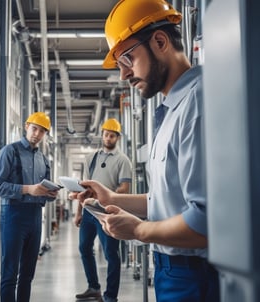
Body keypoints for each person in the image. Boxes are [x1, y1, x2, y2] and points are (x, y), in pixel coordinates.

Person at [77, 0, 220, 301]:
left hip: (195, 274)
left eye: (128, 59)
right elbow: (169, 201)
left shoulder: (198, 104)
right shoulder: (169, 111)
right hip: (172, 270)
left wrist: (140, 231)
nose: (123, 75)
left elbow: (207, 220)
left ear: (159, 41)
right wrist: (114, 199)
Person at [0, 112, 59, 302]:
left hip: (35, 216)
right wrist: (29, 189)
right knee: (10, 272)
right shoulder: (9, 152)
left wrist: (51, 193)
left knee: (28, 274)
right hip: (13, 215)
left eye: (42, 131)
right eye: (34, 128)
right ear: (26, 126)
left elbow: (43, 191)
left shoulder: (43, 160)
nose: (37, 134)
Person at [75, 118, 132, 302]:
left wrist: (105, 196)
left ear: (117, 137)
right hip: (89, 211)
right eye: (106, 134)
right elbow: (84, 188)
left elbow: (124, 189)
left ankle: (110, 296)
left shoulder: (123, 160)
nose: (108, 138)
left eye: (112, 135)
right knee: (84, 248)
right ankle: (94, 287)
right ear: (102, 135)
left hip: (108, 213)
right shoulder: (91, 158)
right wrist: (78, 212)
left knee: (111, 255)